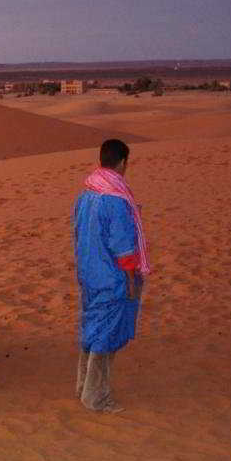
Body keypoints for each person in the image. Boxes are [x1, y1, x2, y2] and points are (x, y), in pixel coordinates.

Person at [73, 139, 150, 413]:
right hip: (112, 278)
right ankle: (96, 398)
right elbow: (124, 247)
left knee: (91, 329)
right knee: (106, 335)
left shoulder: (86, 195)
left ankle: (83, 386)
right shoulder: (116, 201)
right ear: (122, 163)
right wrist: (130, 278)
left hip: (90, 275)